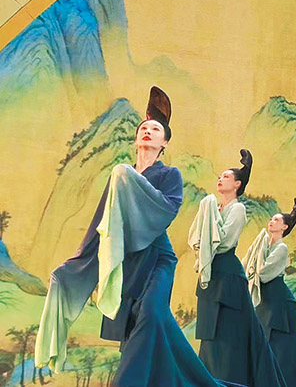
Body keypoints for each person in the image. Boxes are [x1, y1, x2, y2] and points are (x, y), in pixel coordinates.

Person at [35, 87, 233, 386]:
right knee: (149, 327)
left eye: (155, 129)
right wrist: (70, 268)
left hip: (157, 259)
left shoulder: (167, 175)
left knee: (151, 314)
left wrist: (130, 180)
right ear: (136, 138)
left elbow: (166, 210)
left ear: (165, 143)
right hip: (128, 263)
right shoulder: (120, 178)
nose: (148, 132)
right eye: (143, 129)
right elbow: (101, 229)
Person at [188, 150, 286, 386]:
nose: (220, 179)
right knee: (209, 334)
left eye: (226, 177)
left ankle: (231, 380)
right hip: (212, 275)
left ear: (237, 184)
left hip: (228, 276)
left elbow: (224, 242)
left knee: (228, 335)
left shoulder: (237, 209)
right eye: (219, 176)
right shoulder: (213, 208)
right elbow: (198, 240)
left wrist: (207, 234)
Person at [242, 198, 296, 386]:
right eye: (271, 219)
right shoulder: (265, 245)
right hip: (266, 300)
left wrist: (255, 265)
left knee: (286, 348)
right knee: (268, 344)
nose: (271, 221)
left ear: (284, 227)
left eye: (276, 220)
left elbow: (263, 273)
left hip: (278, 302)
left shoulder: (281, 248)